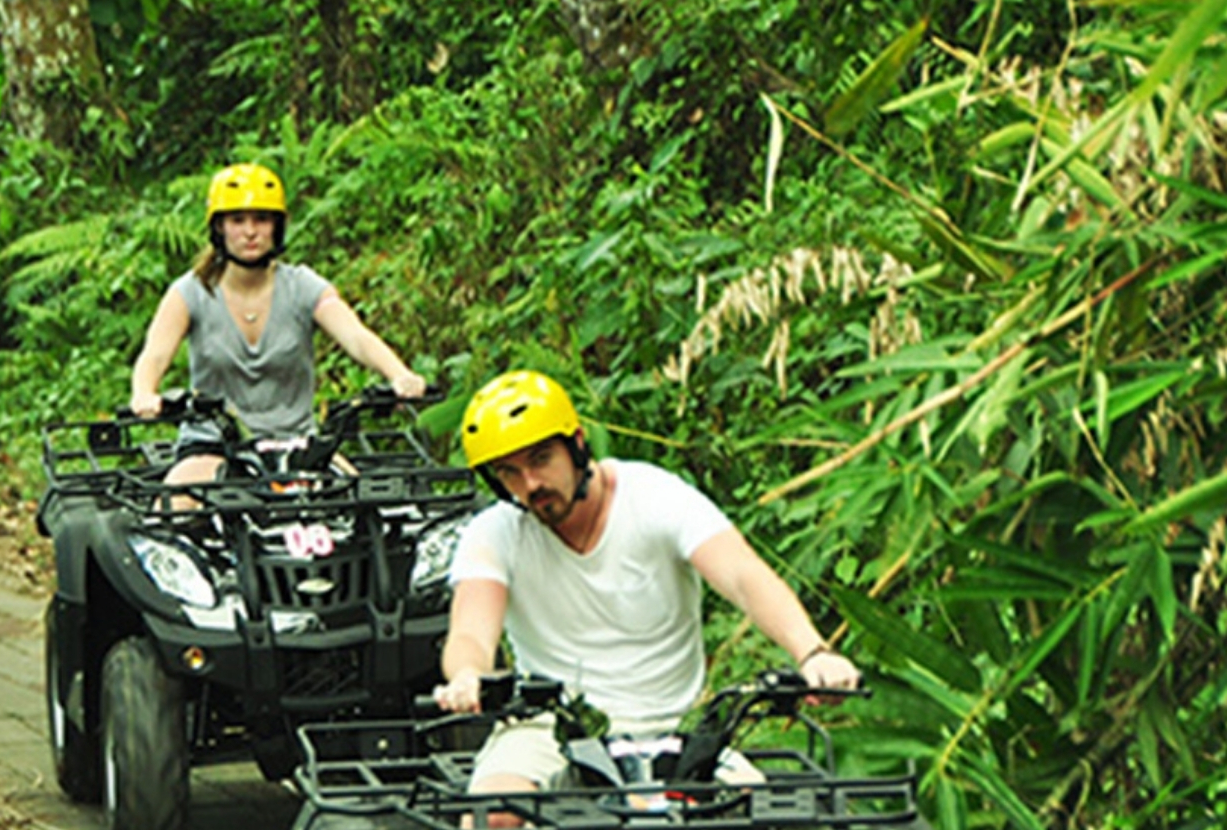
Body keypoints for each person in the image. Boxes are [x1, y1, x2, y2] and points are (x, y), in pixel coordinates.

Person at [433, 369, 862, 796]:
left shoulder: (655, 498)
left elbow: (742, 575)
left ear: (577, 445)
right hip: (549, 725)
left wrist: (812, 652)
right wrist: (469, 677)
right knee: (496, 812)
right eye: (509, 473)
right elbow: (471, 630)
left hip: (677, 729)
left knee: (760, 821)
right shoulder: (496, 532)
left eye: (541, 459)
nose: (531, 484)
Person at [128, 163, 426, 491]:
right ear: (219, 228)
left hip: (298, 446)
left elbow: (354, 335)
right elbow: (155, 354)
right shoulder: (190, 293)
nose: (250, 231)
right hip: (214, 445)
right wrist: (145, 393)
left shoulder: (302, 286)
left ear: (277, 227)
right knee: (178, 506)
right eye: (238, 220)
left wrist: (398, 374)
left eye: (262, 219)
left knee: (360, 502)